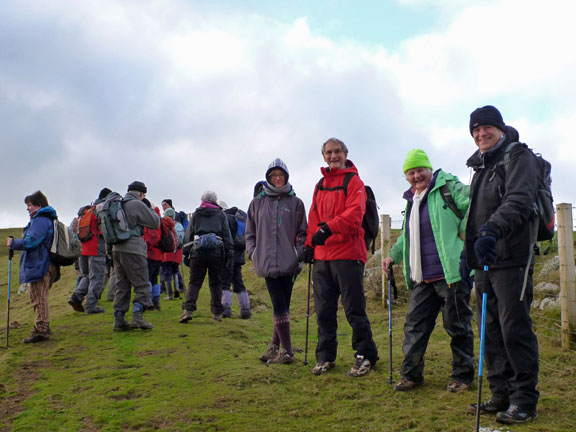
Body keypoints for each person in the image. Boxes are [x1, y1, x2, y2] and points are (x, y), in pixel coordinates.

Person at [463, 106, 540, 424]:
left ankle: (524, 400)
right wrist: (468, 251)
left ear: (500, 128)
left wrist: (492, 230)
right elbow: (474, 213)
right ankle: (500, 393)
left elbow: (519, 199)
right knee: (489, 329)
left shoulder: (519, 157)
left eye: (487, 128)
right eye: (476, 130)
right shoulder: (480, 165)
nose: (481, 134)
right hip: (486, 261)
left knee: (514, 329)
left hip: (512, 258)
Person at [382, 149, 474, 392]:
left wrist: (465, 229)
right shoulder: (412, 201)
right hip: (421, 278)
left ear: (429, 169)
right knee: (414, 327)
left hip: (452, 274)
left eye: (420, 170)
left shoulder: (447, 187)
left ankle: (462, 377)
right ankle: (411, 375)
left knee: (457, 327)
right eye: (410, 173)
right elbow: (407, 237)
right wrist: (393, 255)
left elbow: (475, 203)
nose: (416, 176)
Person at [302, 138, 378, 377]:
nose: (333, 156)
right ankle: (325, 357)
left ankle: (365, 355)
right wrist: (308, 245)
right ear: (323, 156)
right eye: (328, 152)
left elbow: (355, 214)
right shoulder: (320, 184)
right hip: (323, 256)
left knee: (354, 309)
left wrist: (328, 229)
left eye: (337, 152)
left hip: (348, 254)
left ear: (345, 153)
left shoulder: (354, 181)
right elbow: (313, 217)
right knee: (323, 310)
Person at [246, 159, 307, 364]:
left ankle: (277, 348)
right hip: (267, 262)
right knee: (279, 305)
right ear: (268, 179)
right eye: (273, 176)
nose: (277, 179)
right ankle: (286, 350)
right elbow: (250, 233)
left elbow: (302, 233)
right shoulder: (257, 203)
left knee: (283, 305)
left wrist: (297, 255)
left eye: (280, 175)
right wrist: (253, 254)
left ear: (286, 177)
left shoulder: (296, 203)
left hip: (290, 264)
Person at [6, 191, 59, 343]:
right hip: (46, 263)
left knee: (38, 298)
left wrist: (14, 243)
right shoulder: (47, 219)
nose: (27, 209)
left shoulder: (40, 220)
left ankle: (41, 330)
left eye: (30, 205)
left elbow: (31, 241)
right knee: (39, 296)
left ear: (39, 205)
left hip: (40, 264)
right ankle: (43, 327)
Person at [110, 181, 161, 331]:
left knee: (122, 284)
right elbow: (155, 222)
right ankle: (138, 316)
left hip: (116, 248)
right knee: (142, 282)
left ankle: (118, 319)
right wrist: (150, 207)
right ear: (141, 194)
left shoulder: (118, 203)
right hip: (133, 248)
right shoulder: (136, 204)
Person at [180, 191, 233, 323]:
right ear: (215, 201)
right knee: (216, 283)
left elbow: (189, 233)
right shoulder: (221, 215)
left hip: (198, 252)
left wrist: (186, 252)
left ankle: (188, 310)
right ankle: (216, 313)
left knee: (194, 282)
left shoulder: (196, 214)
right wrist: (229, 253)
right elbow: (226, 234)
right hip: (216, 252)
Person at [68, 188, 111, 315]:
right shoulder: (101, 210)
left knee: (87, 276)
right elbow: (105, 230)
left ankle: (76, 296)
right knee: (97, 277)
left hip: (83, 249)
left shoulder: (87, 210)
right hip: (96, 248)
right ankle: (91, 306)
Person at [218, 201, 252, 319]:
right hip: (239, 255)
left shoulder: (224, 218)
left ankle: (226, 309)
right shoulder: (239, 217)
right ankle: (246, 309)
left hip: (227, 254)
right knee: (238, 281)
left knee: (225, 281)